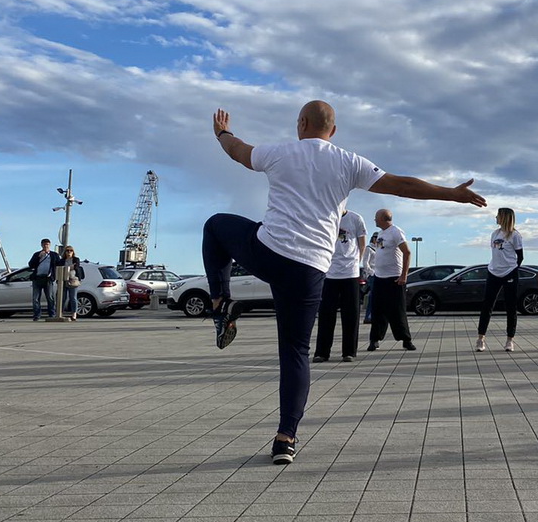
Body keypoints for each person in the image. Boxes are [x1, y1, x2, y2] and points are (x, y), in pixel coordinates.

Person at [204, 103, 485, 465]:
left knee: (215, 226)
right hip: (310, 269)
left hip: (269, 252)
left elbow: (237, 151)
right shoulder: (349, 161)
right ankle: (285, 439)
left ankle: (220, 303)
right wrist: (452, 193)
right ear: (333, 131)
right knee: (294, 352)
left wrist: (222, 133)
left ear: (301, 124)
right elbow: (402, 185)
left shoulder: (279, 152)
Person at [314, 209, 366, 363]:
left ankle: (349, 352)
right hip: (329, 273)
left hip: (350, 273)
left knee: (350, 314)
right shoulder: (325, 216)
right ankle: (322, 352)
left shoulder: (356, 218)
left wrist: (357, 262)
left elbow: (362, 243)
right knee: (326, 314)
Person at [367, 209, 417, 352]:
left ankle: (406, 340)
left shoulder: (396, 232)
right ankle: (374, 339)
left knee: (397, 310)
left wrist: (403, 275)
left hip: (394, 278)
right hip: (379, 277)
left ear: (383, 218)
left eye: (376, 218)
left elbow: (407, 252)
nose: (374, 220)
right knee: (377, 310)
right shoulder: (380, 233)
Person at [477, 207, 523, 352]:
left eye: (498, 215)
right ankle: (481, 338)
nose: (496, 217)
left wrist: (512, 269)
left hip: (509, 273)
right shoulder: (494, 234)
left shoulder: (515, 235)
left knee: (511, 306)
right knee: (487, 305)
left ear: (504, 217)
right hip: (493, 272)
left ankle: (510, 340)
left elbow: (520, 257)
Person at [28, 239, 60, 321]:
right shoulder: (37, 254)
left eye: (47, 244)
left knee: (50, 297)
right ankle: (37, 315)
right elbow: (31, 265)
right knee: (35, 298)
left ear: (50, 245)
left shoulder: (54, 255)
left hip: (48, 278)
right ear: (41, 245)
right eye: (44, 244)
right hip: (37, 278)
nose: (46, 246)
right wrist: (39, 257)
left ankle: (52, 314)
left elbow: (59, 264)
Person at [60, 246, 84, 320]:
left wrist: (68, 268)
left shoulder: (75, 259)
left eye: (71, 250)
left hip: (73, 279)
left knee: (73, 297)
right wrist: (70, 267)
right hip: (63, 280)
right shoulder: (62, 260)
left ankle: (74, 313)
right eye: (67, 250)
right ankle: (60, 313)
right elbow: (60, 268)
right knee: (62, 297)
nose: (69, 252)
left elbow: (76, 267)